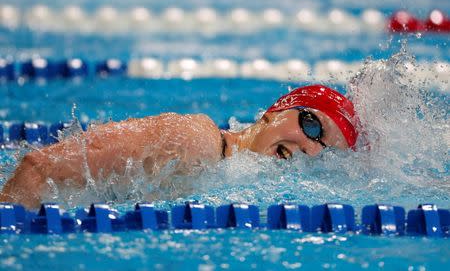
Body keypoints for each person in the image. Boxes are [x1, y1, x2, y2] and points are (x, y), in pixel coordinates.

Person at [0, 84, 358, 208]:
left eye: (326, 151)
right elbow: (39, 167)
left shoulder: (232, 179)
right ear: (275, 110)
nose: (312, 150)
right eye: (312, 125)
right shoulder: (194, 141)